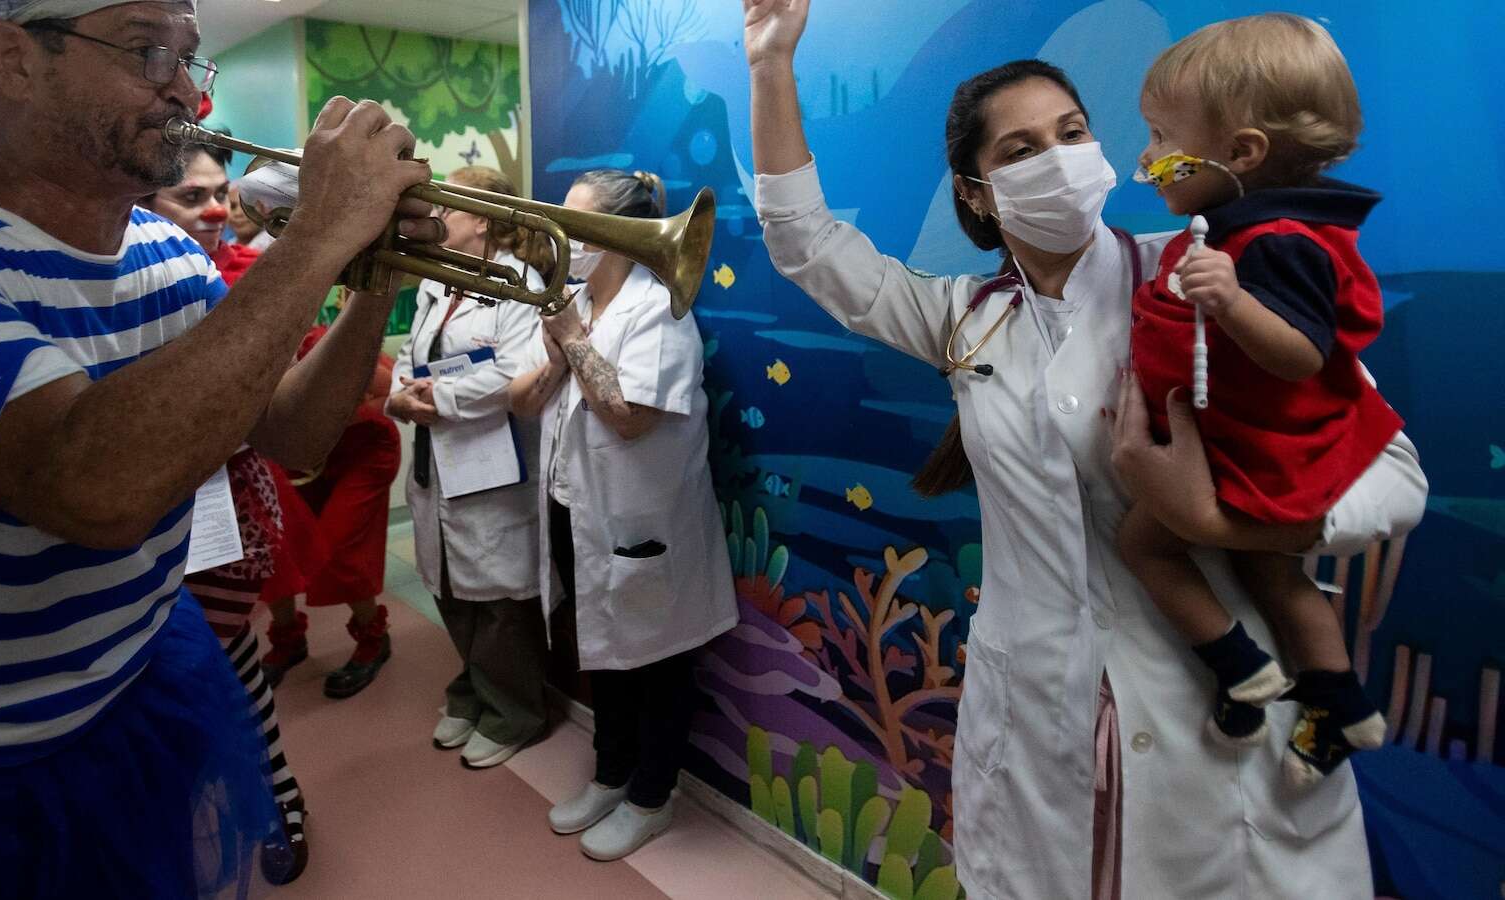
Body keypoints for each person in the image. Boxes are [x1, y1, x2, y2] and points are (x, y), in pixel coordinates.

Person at [741, 1, 1427, 897]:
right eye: (1021, 151)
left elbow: (1396, 479)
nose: (1059, 160)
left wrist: (1211, 519)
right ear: (976, 193)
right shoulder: (965, 322)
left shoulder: (1203, 278)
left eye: (1073, 133)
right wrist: (770, 65)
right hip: (1036, 724)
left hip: (1214, 733)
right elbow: (807, 244)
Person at [0, 0, 437, 896]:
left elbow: (296, 436)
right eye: (150, 53)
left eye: (191, 58)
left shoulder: (164, 248)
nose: (187, 92)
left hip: (136, 677)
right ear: (16, 59)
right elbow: (96, 491)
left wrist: (376, 279)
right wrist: (318, 234)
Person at [1118, 13, 1398, 789]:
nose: (1145, 158)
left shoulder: (1277, 242)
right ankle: (1341, 703)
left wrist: (1235, 304)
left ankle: (1242, 668)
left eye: (1158, 136)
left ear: (1240, 154)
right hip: (1245, 444)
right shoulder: (1244, 230)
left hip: (1261, 457)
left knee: (1146, 544)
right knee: (1278, 579)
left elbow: (1304, 353)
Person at [509, 169, 738, 861]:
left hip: (641, 527)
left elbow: (629, 417)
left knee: (658, 663)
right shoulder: (571, 300)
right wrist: (561, 342)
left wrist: (574, 338)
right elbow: (523, 397)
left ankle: (652, 795)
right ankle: (611, 773)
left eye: (576, 222)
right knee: (601, 652)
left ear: (612, 236)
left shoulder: (659, 312)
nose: (563, 235)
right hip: (575, 510)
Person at [145, 136, 311, 883]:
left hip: (221, 513)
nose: (217, 209)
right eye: (192, 197)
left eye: (222, 194)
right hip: (146, 520)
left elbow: (286, 405)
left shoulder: (245, 272)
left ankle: (280, 804)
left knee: (235, 668)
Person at [387, 166, 556, 768]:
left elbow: (516, 371)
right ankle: (474, 690)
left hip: (494, 461)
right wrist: (399, 397)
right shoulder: (440, 283)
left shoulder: (518, 283)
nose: (436, 219)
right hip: (438, 458)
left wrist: (437, 398)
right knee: (450, 584)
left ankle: (515, 713)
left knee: (498, 595)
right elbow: (412, 353)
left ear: (481, 217)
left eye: (447, 209)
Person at [259, 300, 403, 699]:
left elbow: (386, 390)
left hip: (362, 449)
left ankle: (373, 636)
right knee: (274, 545)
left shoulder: (322, 343)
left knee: (340, 546)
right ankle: (288, 638)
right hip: (293, 448)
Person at [229, 182, 276, 250]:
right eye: (232, 206)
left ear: (265, 209)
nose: (238, 213)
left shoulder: (275, 247)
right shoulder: (225, 247)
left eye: (247, 206)